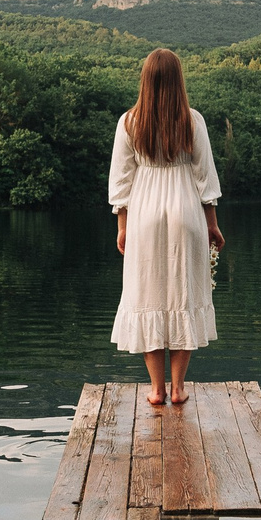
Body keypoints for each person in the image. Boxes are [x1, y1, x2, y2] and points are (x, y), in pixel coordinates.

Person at [108, 48, 225, 406]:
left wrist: (122, 226)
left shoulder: (129, 122)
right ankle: (178, 388)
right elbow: (206, 179)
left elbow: (121, 183)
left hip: (144, 215)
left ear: (145, 79)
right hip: (185, 211)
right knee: (183, 296)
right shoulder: (192, 120)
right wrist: (213, 226)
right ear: (178, 80)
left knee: (148, 296)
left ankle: (156, 390)